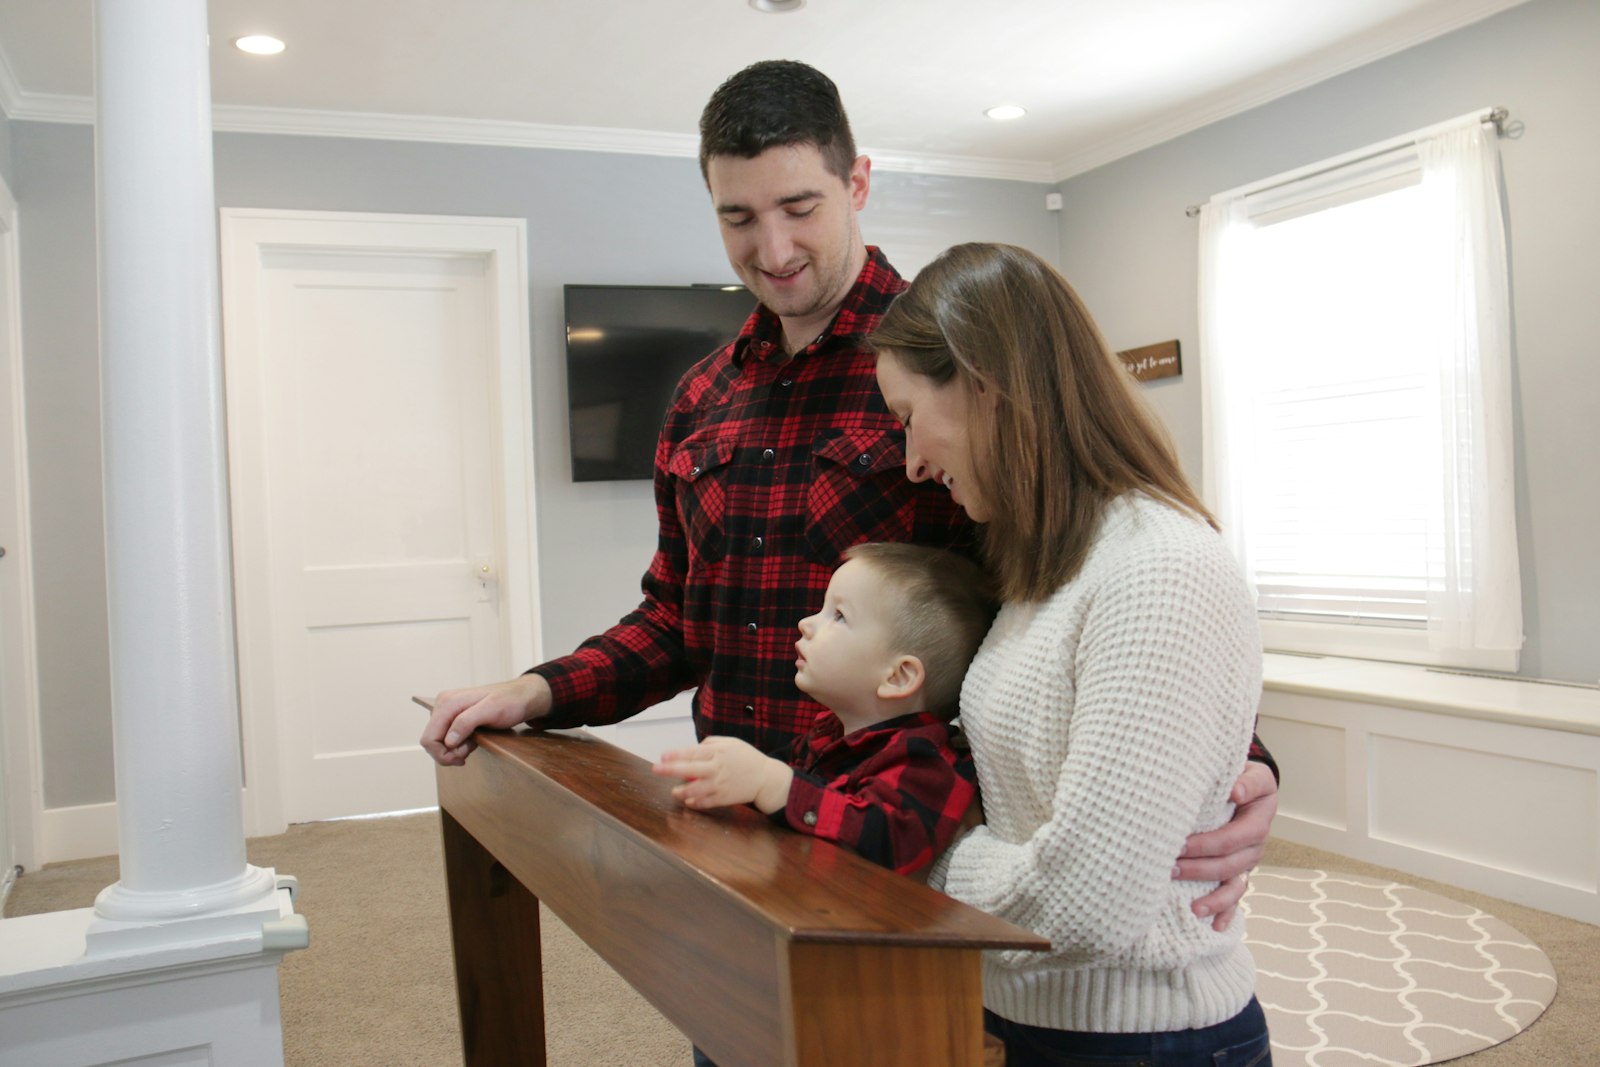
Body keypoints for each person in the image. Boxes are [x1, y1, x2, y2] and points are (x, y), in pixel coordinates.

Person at [419, 58, 1275, 928]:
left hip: (897, 846)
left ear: (857, 181)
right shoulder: (699, 398)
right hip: (736, 836)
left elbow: (1095, 571)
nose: (774, 249)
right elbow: (677, 619)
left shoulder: (951, 364)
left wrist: (1242, 760)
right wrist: (534, 690)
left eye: (800, 208)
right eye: (739, 218)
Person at [871, 241, 1272, 1065]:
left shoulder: (1159, 567)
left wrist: (906, 842)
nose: (911, 463)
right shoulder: (1046, 565)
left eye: (910, 418)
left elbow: (1083, 903)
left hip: (1149, 1036)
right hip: (1028, 1011)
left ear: (983, 383)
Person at [651, 542, 995, 875]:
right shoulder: (828, 734)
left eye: (839, 616)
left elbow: (890, 843)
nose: (807, 623)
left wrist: (774, 784)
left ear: (898, 676)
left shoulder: (926, 760)